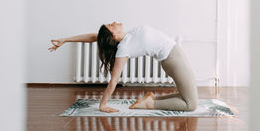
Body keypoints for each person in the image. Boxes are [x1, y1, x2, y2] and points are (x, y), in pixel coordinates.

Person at [49, 21, 199, 113]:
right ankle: (151, 104)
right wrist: (103, 104)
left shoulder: (127, 37)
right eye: (111, 25)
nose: (114, 22)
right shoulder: (124, 48)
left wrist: (66, 40)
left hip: (175, 56)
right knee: (191, 104)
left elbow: (94, 37)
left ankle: (152, 98)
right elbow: (114, 80)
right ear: (113, 35)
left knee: (186, 96)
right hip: (173, 60)